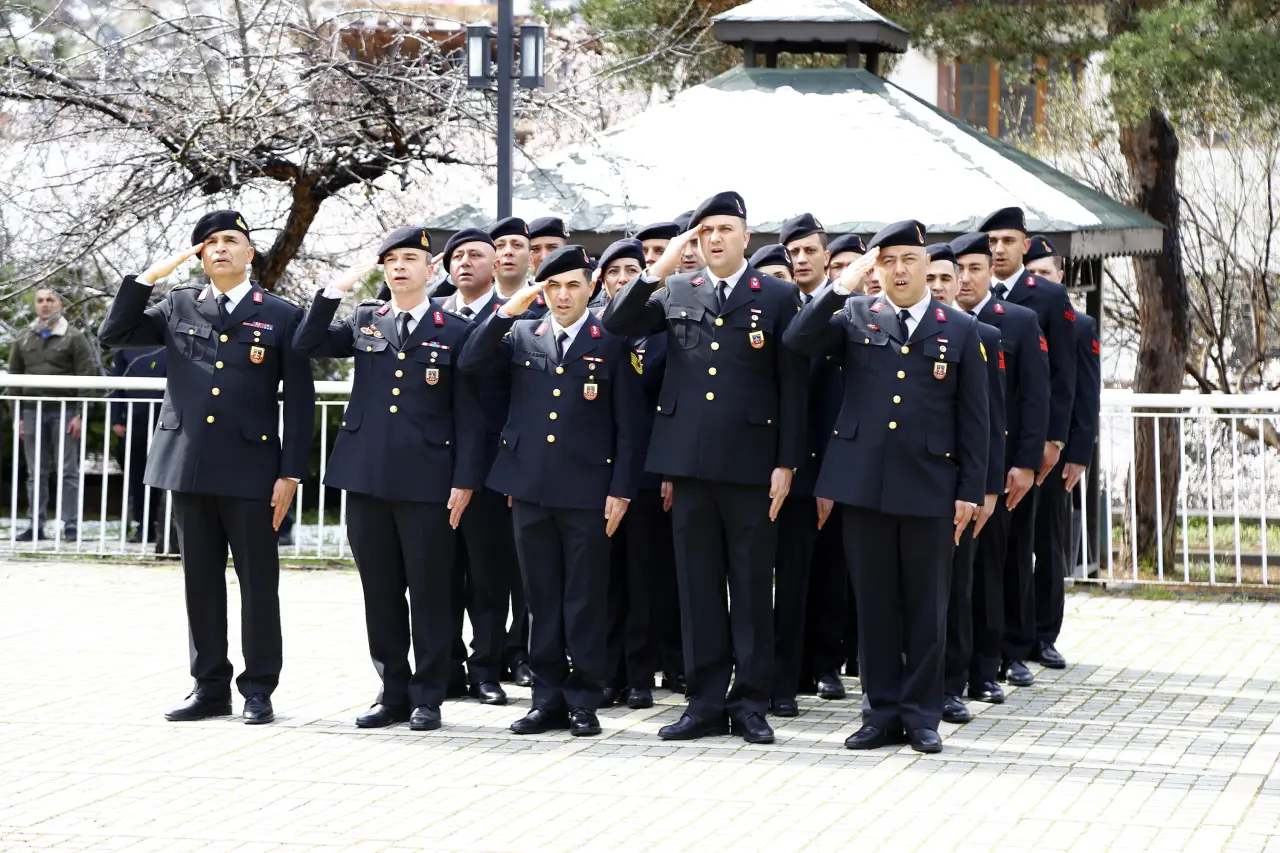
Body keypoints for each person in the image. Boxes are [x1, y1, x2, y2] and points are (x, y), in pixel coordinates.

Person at [603, 191, 808, 746]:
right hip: (688, 465)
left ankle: (751, 703)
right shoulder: (675, 289)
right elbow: (620, 323)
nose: (714, 238)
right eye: (704, 231)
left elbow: (793, 386)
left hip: (751, 465)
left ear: (746, 236)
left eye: (725, 228)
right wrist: (659, 267)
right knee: (696, 590)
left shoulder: (780, 294)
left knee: (748, 588)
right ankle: (705, 702)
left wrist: (787, 461)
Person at [99, 210, 314, 725]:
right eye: (209, 243)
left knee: (258, 582)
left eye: (231, 240)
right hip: (188, 464)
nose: (220, 249)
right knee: (200, 580)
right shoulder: (176, 305)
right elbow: (115, 333)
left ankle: (258, 688)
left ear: (250, 253)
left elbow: (301, 401)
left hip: (252, 468)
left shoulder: (281, 315)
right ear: (199, 255)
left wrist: (291, 473)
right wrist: (150, 276)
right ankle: (209, 685)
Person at [784, 220, 989, 754]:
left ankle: (922, 715)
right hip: (864, 484)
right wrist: (842, 283)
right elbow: (798, 338)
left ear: (926, 265)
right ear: (876, 267)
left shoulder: (959, 328)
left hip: (930, 484)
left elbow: (975, 420)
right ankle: (879, 713)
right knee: (873, 604)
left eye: (908, 260)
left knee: (926, 605)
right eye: (888, 260)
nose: (898, 270)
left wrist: (970, 489)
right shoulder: (854, 314)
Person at [293, 227, 484, 731]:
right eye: (391, 260)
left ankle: (429, 695)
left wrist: (465, 479)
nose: (400, 267)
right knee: (379, 591)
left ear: (431, 268)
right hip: (366, 476)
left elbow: (469, 413)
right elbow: (307, 343)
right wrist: (332, 293)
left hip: (428, 479)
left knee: (429, 591)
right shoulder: (364, 320)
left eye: (410, 259)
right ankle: (391, 690)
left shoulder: (454, 328)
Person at [459, 244, 644, 737]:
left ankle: (583, 699)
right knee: (540, 598)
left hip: (589, 489)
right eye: (554, 285)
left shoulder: (612, 337)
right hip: (530, 487)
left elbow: (630, 424)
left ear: (592, 288)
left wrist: (622, 489)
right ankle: (545, 700)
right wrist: (507, 311)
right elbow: (471, 361)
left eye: (573, 285)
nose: (563, 295)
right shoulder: (523, 332)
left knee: (584, 598)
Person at [952, 231, 1050, 706]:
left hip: (999, 469)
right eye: (960, 270)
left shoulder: (1017, 321)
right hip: (948, 471)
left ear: (992, 271)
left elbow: (1034, 399)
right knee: (953, 577)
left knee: (992, 570)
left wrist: (1026, 464)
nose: (966, 278)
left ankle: (986, 668)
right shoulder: (940, 322)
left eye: (975, 268)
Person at [980, 207, 1077, 686]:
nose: (998, 249)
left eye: (1007, 240)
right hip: (980, 443)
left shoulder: (1047, 295)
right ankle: (982, 644)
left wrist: (1053, 441)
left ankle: (1016, 647)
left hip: (1024, 442)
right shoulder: (966, 291)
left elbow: (1061, 376)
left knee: (1020, 547)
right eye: (992, 240)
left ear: (1024, 244)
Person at [438, 228, 530, 697]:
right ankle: (447, 667)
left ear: (497, 265)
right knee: (439, 575)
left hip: (493, 464)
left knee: (489, 575)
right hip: (434, 463)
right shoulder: (429, 315)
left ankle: (487, 669)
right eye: (457, 256)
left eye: (477, 255)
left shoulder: (519, 317)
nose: (465, 263)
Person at [927, 242, 1005, 725]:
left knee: (957, 588)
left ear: (960, 282)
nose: (936, 287)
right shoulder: (899, 330)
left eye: (944, 279)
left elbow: (989, 421)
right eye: (928, 278)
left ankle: (952, 685)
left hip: (959, 486)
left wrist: (984, 489)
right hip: (914, 483)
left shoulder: (979, 334)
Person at [774, 212, 848, 713]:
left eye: (809, 251)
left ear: (826, 256)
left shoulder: (848, 310)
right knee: (790, 574)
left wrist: (831, 473)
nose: (801, 260)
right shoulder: (778, 307)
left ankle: (825, 666)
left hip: (835, 461)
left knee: (831, 572)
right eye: (793, 253)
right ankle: (788, 669)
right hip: (786, 465)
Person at [593, 238, 671, 709]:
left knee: (644, 577)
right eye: (614, 272)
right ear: (602, 281)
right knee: (603, 580)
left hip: (647, 470)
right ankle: (607, 674)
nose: (623, 278)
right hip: (597, 469)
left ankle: (640, 675)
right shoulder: (594, 327)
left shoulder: (663, 324)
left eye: (631, 270)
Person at [1023, 235, 1100, 667]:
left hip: (1055, 456)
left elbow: (1084, 395)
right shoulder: (1010, 315)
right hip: (1017, 451)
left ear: (1061, 276)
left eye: (1044, 274)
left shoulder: (1079, 324)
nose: (1037, 282)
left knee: (1048, 545)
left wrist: (1079, 453)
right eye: (1030, 274)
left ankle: (1045, 634)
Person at [9, 285, 96, 542]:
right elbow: (14, 378)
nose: (45, 304)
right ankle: (35, 525)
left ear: (59, 304)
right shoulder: (24, 337)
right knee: (36, 472)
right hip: (32, 410)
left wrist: (79, 413)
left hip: (64, 410)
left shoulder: (73, 337)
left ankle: (70, 526)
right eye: (40, 300)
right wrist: (19, 417)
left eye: (50, 300)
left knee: (68, 470)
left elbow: (86, 376)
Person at [107, 344, 168, 544]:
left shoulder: (174, 340)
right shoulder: (127, 346)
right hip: (136, 419)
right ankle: (144, 525)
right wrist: (117, 418)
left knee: (169, 475)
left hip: (169, 419)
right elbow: (116, 382)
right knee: (139, 476)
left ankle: (169, 528)